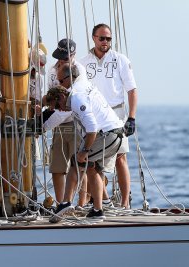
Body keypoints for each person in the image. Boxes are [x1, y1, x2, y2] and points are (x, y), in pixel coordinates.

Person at [48, 64, 124, 222]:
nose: (59, 110)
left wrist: (84, 151)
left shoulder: (77, 99)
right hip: (115, 133)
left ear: (61, 98)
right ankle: (98, 210)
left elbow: (92, 129)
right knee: (92, 167)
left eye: (57, 106)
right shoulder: (80, 88)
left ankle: (66, 203)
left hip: (108, 134)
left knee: (77, 160)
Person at [79, 23, 137, 208]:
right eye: (102, 38)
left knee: (121, 157)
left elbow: (132, 90)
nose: (105, 42)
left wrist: (132, 118)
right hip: (94, 115)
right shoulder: (83, 63)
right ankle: (101, 201)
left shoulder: (120, 59)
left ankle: (125, 203)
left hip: (117, 112)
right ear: (94, 38)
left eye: (109, 39)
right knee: (94, 158)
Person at [43, 38, 88, 207]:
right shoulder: (51, 71)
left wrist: (45, 126)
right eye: (59, 57)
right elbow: (51, 97)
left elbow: (70, 105)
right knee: (57, 167)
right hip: (58, 126)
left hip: (75, 123)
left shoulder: (79, 71)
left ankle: (82, 204)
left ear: (74, 55)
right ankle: (61, 204)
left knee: (79, 165)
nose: (61, 61)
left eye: (65, 57)